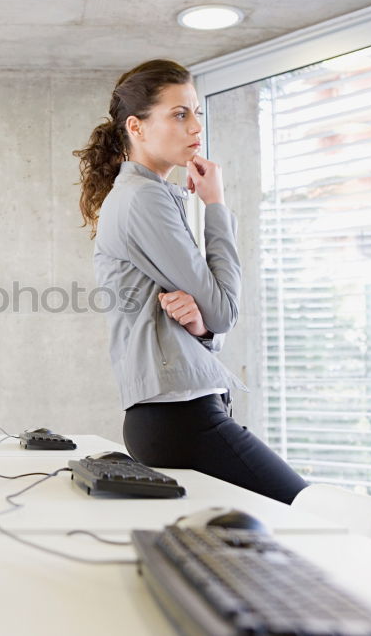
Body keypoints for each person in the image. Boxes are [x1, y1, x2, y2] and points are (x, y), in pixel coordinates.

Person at [74, 60, 307, 505]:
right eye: (179, 114)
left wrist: (202, 328)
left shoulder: (150, 195)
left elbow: (205, 319)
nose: (195, 126)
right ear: (137, 128)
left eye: (196, 112)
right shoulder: (143, 199)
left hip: (176, 413)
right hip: (180, 417)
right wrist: (215, 204)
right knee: (308, 508)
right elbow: (224, 310)